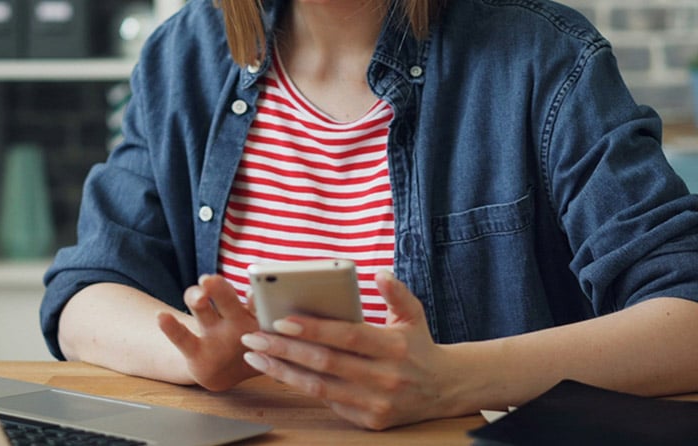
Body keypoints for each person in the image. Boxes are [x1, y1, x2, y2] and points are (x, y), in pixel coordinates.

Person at [40, 0, 698, 430]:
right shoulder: (184, 56)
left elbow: (686, 319)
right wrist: (195, 356)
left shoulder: (544, 56)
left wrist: (450, 381)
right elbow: (83, 295)